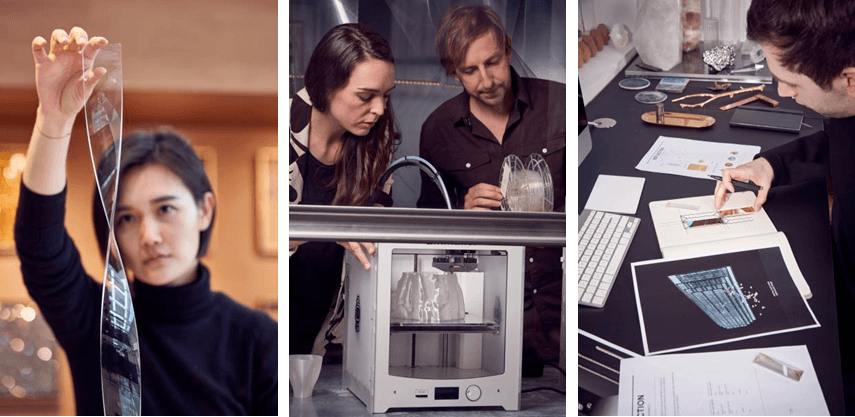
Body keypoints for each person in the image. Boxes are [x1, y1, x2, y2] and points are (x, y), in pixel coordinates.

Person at [15, 27, 277, 415]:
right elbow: (41, 248)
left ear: (204, 209)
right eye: (125, 218)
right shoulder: (95, 323)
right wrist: (53, 121)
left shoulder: (257, 338)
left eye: (165, 209)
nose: (148, 235)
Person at [712, 0, 855, 411]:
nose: (782, 93)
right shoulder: (846, 101)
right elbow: (837, 140)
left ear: (849, 79)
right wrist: (773, 164)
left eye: (792, 82)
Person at [417, 5, 566, 373]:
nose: (486, 81)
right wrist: (461, 219)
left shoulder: (562, 103)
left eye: (492, 62)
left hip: (567, 306)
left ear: (509, 49)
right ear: (454, 72)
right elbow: (427, 242)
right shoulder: (437, 131)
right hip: (494, 320)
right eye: (469, 71)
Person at [288, 23, 398, 356]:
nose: (379, 110)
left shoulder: (378, 141)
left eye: (386, 96)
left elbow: (377, 233)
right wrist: (331, 229)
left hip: (337, 329)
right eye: (366, 97)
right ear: (326, 86)